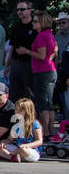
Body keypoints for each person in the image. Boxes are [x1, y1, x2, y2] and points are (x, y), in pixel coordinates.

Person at [28, 11, 59, 147]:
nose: (33, 23)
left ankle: (45, 133)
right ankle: (50, 132)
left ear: (42, 23)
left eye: (35, 21)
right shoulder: (50, 35)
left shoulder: (41, 36)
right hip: (51, 70)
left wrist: (26, 51)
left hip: (42, 71)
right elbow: (55, 50)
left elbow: (41, 56)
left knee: (42, 103)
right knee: (49, 103)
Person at [0, 97, 42, 162]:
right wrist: (4, 142)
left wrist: (26, 146)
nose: (16, 112)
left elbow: (39, 141)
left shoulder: (35, 124)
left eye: (20, 110)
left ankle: (7, 155)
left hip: (31, 151)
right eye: (16, 110)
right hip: (17, 148)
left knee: (23, 150)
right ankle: (12, 157)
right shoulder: (16, 125)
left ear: (27, 111)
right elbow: (10, 139)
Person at [7, 0, 36, 101]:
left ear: (30, 10)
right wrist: (7, 65)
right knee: (14, 94)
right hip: (15, 64)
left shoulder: (35, 26)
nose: (19, 11)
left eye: (22, 9)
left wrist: (27, 51)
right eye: (18, 9)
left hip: (29, 64)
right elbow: (12, 47)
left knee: (29, 94)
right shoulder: (16, 26)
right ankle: (17, 117)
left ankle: (30, 116)